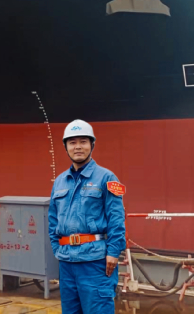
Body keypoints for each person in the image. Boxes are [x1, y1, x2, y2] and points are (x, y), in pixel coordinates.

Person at [48, 119, 126, 314]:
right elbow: (52, 219)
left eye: (83, 141)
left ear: (92, 145)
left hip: (95, 262)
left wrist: (113, 252)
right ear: (66, 147)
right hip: (67, 262)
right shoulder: (59, 182)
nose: (78, 147)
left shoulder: (107, 178)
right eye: (72, 142)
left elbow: (116, 219)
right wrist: (57, 249)